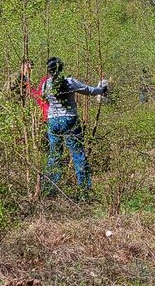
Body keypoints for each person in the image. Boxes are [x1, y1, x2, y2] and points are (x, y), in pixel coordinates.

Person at [41, 57, 108, 197]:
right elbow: (89, 91)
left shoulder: (45, 84)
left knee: (54, 155)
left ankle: (50, 189)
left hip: (52, 121)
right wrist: (102, 90)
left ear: (49, 70)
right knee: (78, 154)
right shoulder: (70, 82)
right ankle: (84, 190)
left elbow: (44, 99)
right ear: (61, 68)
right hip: (70, 119)